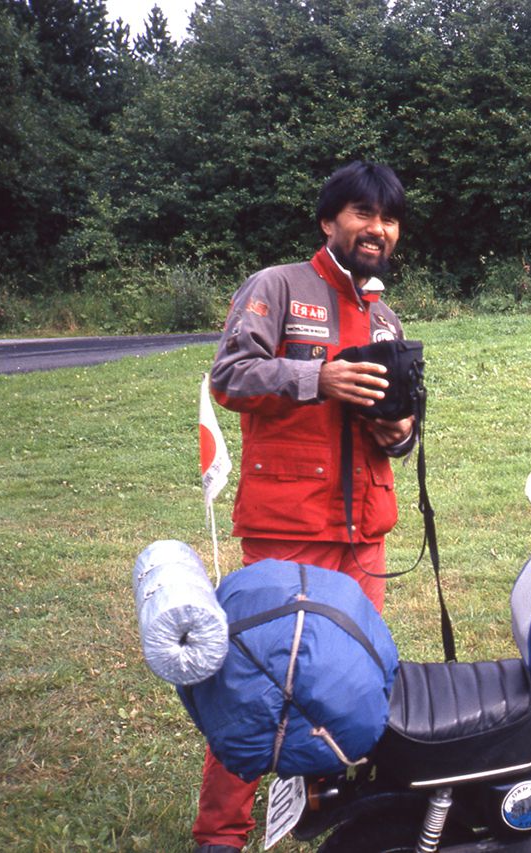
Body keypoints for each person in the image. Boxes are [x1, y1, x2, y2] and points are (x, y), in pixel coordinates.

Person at [196, 161, 416, 853]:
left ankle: (324, 799)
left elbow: (399, 422)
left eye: (387, 218)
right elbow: (230, 374)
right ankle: (221, 833)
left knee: (352, 679)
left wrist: (400, 431)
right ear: (330, 222)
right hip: (289, 525)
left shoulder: (384, 314)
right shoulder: (278, 287)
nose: (375, 228)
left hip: (365, 531)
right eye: (361, 213)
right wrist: (314, 377)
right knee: (258, 684)